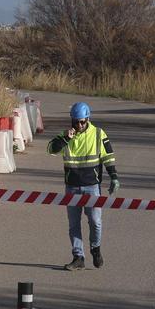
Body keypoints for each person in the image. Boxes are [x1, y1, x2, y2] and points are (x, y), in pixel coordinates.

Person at [46, 101, 120, 270]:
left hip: (91, 186)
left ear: (88, 119)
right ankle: (78, 257)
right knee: (74, 224)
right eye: (76, 122)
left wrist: (114, 177)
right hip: (72, 187)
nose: (79, 125)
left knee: (95, 221)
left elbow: (108, 156)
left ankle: (95, 248)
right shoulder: (66, 135)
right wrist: (65, 138)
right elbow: (51, 149)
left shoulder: (98, 134)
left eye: (82, 122)